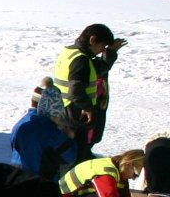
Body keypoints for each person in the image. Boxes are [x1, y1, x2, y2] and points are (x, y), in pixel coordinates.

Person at [52, 23, 122, 162]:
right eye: (102, 47)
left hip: (63, 110)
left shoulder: (70, 52)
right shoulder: (81, 59)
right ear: (92, 40)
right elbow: (76, 89)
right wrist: (88, 108)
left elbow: (96, 69)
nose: (101, 51)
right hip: (75, 113)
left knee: (70, 151)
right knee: (77, 153)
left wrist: (111, 52)